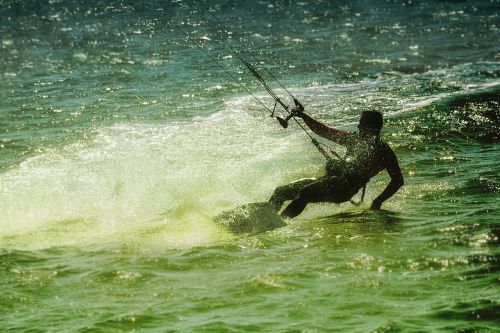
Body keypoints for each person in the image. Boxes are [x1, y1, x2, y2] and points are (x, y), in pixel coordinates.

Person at [269, 108, 404, 218]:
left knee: (305, 193)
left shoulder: (383, 151)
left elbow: (397, 180)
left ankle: (278, 221)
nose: (358, 126)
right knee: (280, 191)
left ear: (372, 128)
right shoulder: (353, 139)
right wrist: (303, 116)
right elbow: (324, 131)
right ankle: (265, 216)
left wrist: (377, 201)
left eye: (361, 124)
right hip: (329, 181)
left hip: (344, 190)